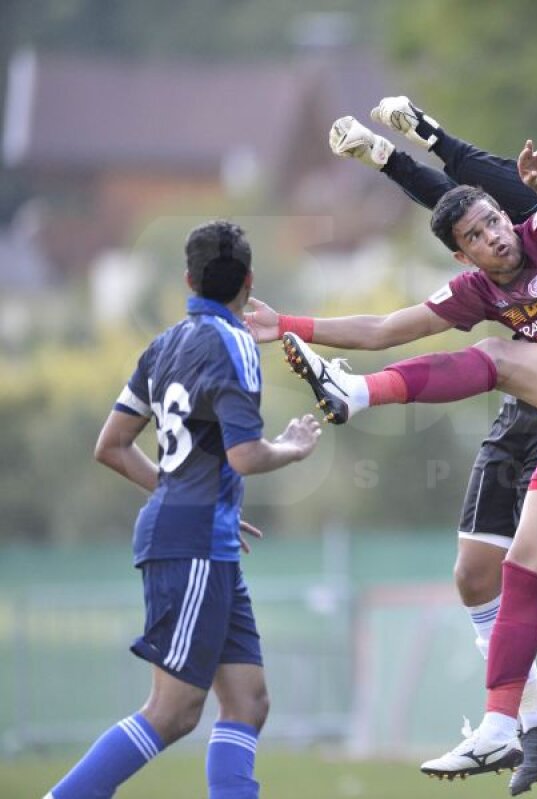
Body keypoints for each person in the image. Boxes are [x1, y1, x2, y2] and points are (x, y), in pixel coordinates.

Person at [246, 139, 537, 796]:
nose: (493, 236)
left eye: (493, 221)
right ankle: (504, 723)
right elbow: (385, 326)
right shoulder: (476, 290)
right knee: (521, 569)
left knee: (502, 358)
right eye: (477, 235)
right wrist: (287, 322)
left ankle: (355, 393)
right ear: (462, 254)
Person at [43, 221, 322, 799]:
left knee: (248, 699)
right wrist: (293, 449)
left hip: (202, 535)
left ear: (188, 279)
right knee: (172, 712)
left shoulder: (164, 344)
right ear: (249, 282)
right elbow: (245, 456)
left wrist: (191, 494)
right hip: (193, 539)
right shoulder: (238, 342)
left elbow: (112, 446)